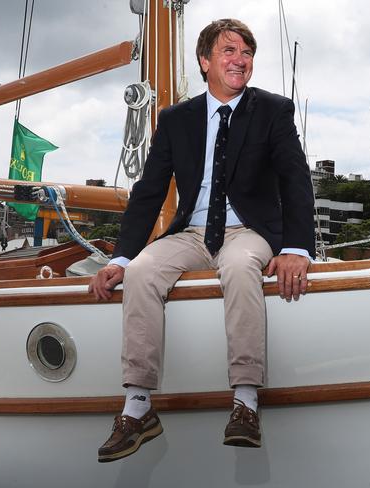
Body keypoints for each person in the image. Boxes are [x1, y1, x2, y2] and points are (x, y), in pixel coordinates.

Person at [89, 18, 315, 463]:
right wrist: (120, 257)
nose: (240, 60)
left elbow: (295, 181)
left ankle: (246, 401)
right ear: (205, 61)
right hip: (192, 233)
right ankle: (137, 407)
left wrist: (296, 248)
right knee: (142, 272)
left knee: (237, 265)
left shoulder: (273, 110)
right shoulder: (176, 120)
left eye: (247, 53)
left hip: (248, 231)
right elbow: (149, 192)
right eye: (229, 51)